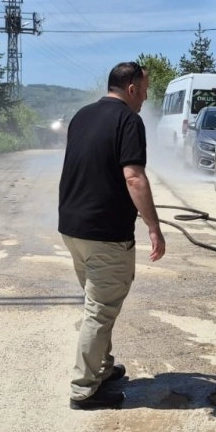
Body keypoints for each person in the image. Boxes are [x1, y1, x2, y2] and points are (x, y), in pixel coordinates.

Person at [58, 61, 166, 410]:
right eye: (146, 89)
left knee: (97, 305)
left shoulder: (82, 115)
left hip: (73, 229)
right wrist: (154, 226)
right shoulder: (128, 120)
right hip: (104, 233)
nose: (146, 97)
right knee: (100, 310)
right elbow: (133, 177)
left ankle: (102, 368)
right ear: (132, 87)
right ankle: (84, 389)